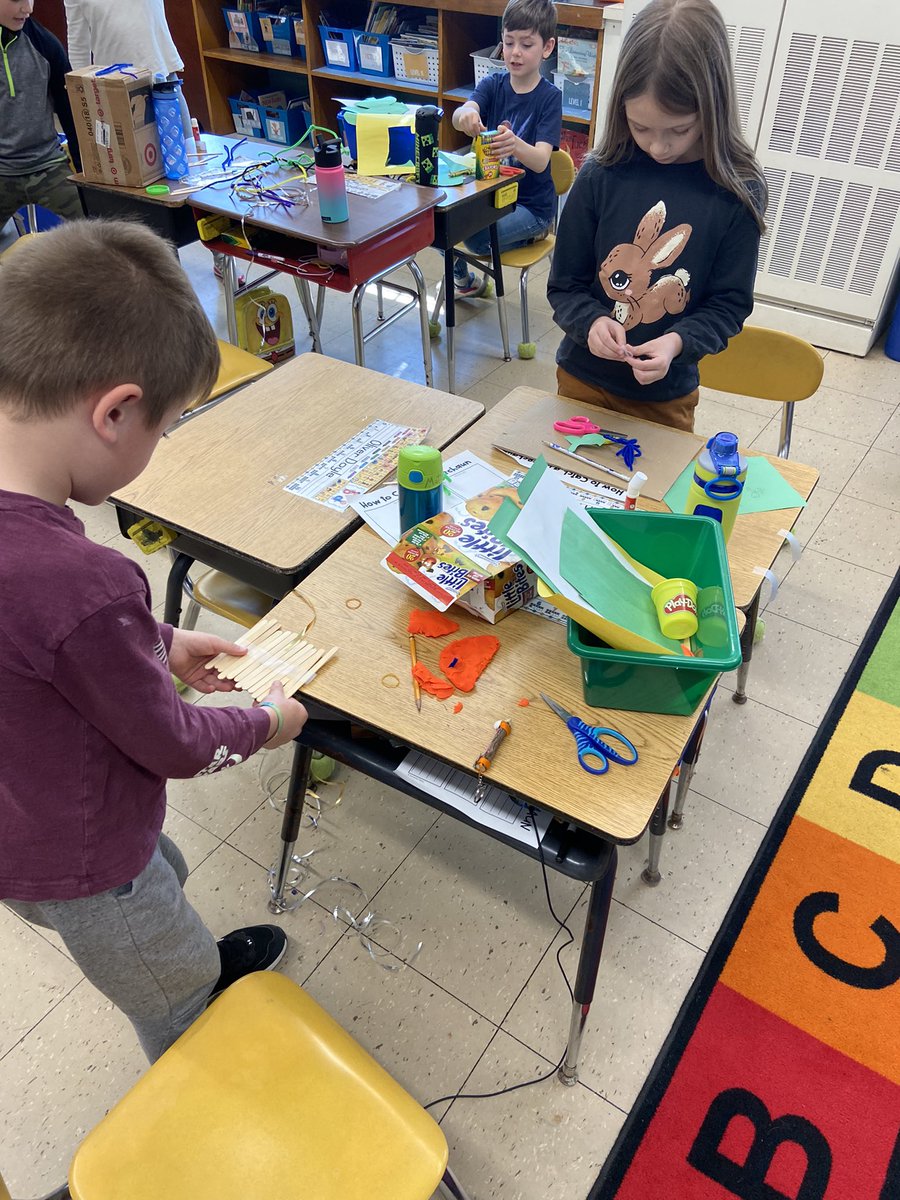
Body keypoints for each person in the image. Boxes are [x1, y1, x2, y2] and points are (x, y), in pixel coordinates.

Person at [0, 220, 308, 1064]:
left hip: (22, 820)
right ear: (116, 411)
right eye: (164, 427)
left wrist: (154, 640)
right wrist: (272, 722)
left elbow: (36, 644)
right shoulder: (84, 581)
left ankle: (190, 963)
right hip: (88, 860)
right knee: (167, 985)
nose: (160, 444)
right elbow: (172, 743)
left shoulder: (52, 575)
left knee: (161, 871)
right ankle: (203, 1050)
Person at [547, 0, 767, 432]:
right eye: (641, 127)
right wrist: (590, 321)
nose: (659, 148)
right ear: (621, 109)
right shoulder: (600, 173)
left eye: (679, 130)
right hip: (581, 380)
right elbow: (564, 286)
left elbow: (728, 305)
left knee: (653, 497)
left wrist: (677, 341)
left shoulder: (736, 191)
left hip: (665, 399)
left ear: (713, 106)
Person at [450, 0, 561, 297]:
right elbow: (458, 115)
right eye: (509, 42)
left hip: (531, 209)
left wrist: (514, 144)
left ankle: (533, 235)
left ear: (547, 48)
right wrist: (467, 116)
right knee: (440, 223)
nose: (515, 52)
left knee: (473, 239)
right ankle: (464, 281)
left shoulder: (549, 98)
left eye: (526, 44)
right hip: (490, 196)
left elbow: (539, 161)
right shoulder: (493, 84)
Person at [0, 0, 83, 230]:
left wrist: (85, 174)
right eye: (17, 0)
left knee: (99, 233)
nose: (28, 8)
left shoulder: (45, 44)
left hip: (48, 166)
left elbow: (70, 112)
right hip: (1, 170)